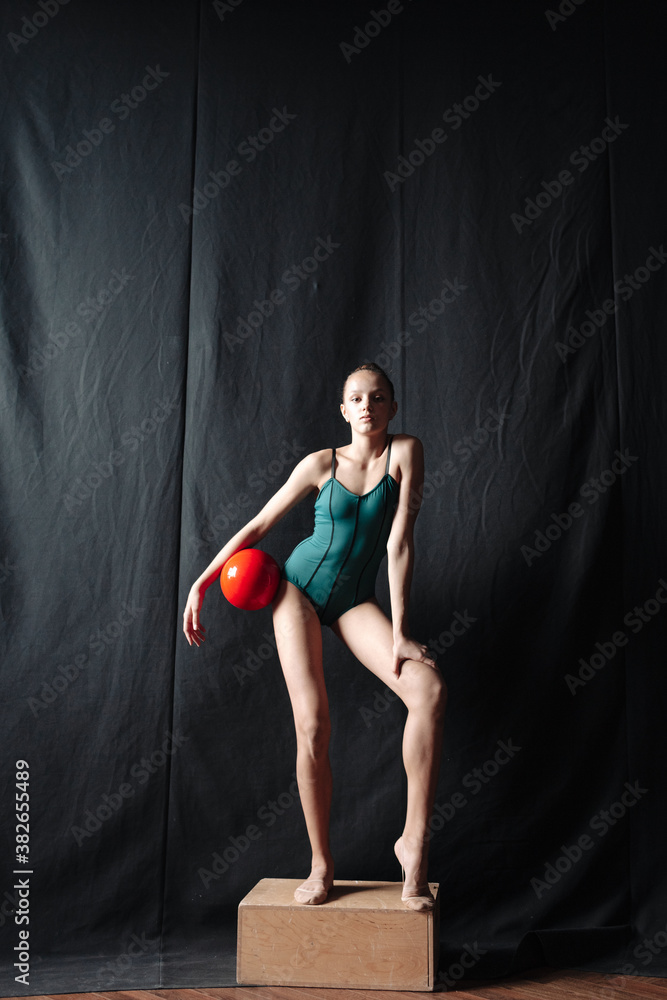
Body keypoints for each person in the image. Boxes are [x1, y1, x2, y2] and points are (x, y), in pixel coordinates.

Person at [182, 363, 446, 910]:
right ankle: (321, 864)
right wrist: (202, 583)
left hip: (355, 602)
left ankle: (413, 846)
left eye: (378, 397)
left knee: (428, 691)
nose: (367, 405)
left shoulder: (406, 453)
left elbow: (399, 545)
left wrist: (399, 635)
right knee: (314, 725)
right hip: (296, 592)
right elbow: (259, 525)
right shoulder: (320, 464)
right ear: (343, 409)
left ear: (392, 408)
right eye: (356, 398)